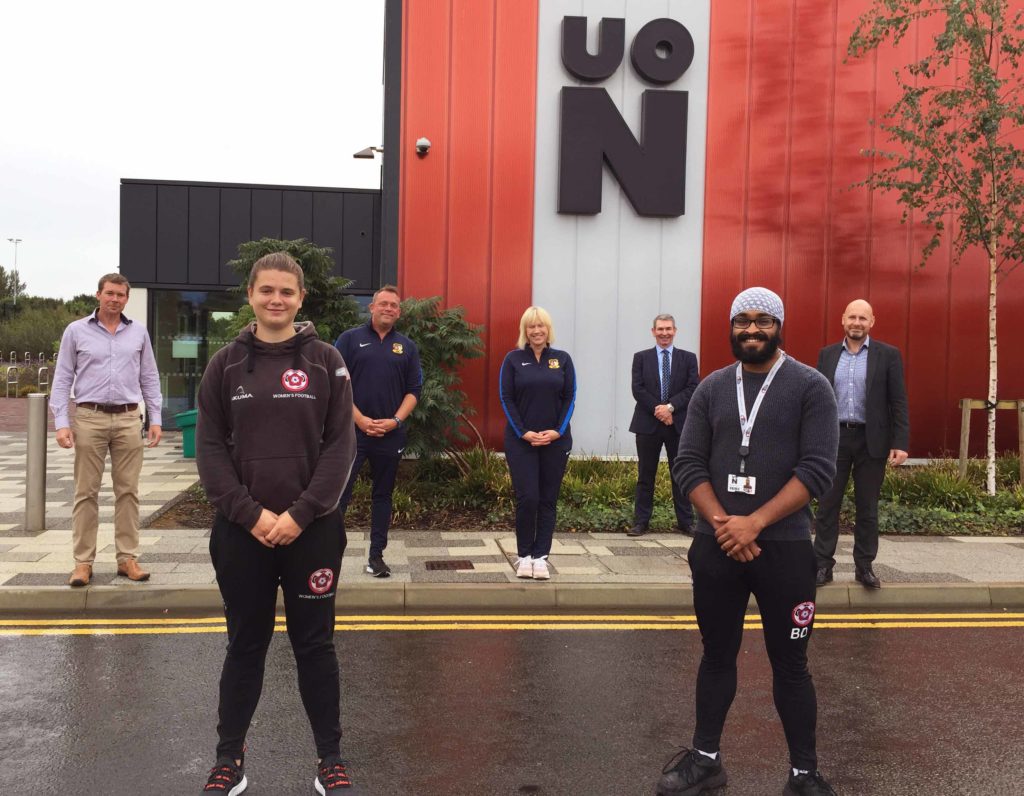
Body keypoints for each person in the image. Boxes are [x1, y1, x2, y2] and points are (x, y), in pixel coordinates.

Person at [660, 287, 840, 796]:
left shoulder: (811, 387)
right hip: (717, 547)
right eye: (742, 321)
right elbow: (688, 462)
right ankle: (706, 761)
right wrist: (725, 524)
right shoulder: (712, 388)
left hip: (784, 550)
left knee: (792, 665)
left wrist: (754, 523)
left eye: (762, 321)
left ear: (779, 326)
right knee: (717, 656)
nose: (751, 330)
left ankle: (804, 773)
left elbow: (818, 469)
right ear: (731, 326)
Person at [195, 252, 357, 794]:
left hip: (312, 532)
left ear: (300, 298)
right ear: (251, 294)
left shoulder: (326, 361)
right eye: (267, 290)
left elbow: (340, 446)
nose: (276, 300)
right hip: (242, 533)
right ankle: (228, 760)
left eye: (286, 291)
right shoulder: (224, 365)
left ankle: (329, 760)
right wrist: (252, 514)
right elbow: (211, 450)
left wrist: (301, 514)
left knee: (315, 646)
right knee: (245, 644)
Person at [50, 273, 162, 587]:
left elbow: (150, 378)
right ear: (98, 295)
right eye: (109, 293)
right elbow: (62, 379)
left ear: (127, 299)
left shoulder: (138, 332)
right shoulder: (76, 331)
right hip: (89, 417)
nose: (115, 299)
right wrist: (61, 423)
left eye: (121, 295)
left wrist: (155, 419)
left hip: (128, 419)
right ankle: (83, 563)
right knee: (85, 493)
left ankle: (127, 559)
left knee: (128, 492)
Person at [813, 299, 909, 590]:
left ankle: (864, 567)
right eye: (852, 317)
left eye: (863, 318)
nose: (857, 322)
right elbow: (817, 400)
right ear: (843, 320)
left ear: (872, 322)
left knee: (867, 507)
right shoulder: (827, 355)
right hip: (835, 439)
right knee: (827, 505)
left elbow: (898, 401)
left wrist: (900, 442)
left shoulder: (888, 355)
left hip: (873, 441)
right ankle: (822, 566)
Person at [335, 285, 422, 578]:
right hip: (351, 433)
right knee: (339, 495)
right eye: (383, 303)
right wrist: (359, 419)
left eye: (394, 305)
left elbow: (413, 391)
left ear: (399, 312)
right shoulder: (349, 340)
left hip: (390, 435)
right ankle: (327, 556)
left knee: (382, 497)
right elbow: (336, 386)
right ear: (371, 308)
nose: (388, 308)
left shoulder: (407, 347)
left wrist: (395, 421)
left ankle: (376, 557)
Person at [498, 306, 576, 580]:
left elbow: (570, 397)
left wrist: (557, 430)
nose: (536, 331)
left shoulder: (562, 359)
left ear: (548, 329)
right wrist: (524, 432)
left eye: (541, 325)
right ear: (525, 331)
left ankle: (541, 557)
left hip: (556, 441)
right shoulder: (513, 359)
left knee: (547, 500)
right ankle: (524, 557)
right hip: (522, 442)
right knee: (528, 497)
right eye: (531, 326)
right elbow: (506, 398)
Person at [627, 313, 700, 536]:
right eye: (660, 329)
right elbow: (637, 389)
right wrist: (659, 410)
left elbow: (692, 387)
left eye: (668, 329)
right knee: (645, 475)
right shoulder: (641, 357)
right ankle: (641, 523)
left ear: (675, 331)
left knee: (680, 475)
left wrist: (670, 408)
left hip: (677, 424)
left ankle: (685, 522)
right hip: (648, 424)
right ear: (653, 332)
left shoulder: (688, 358)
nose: (664, 333)